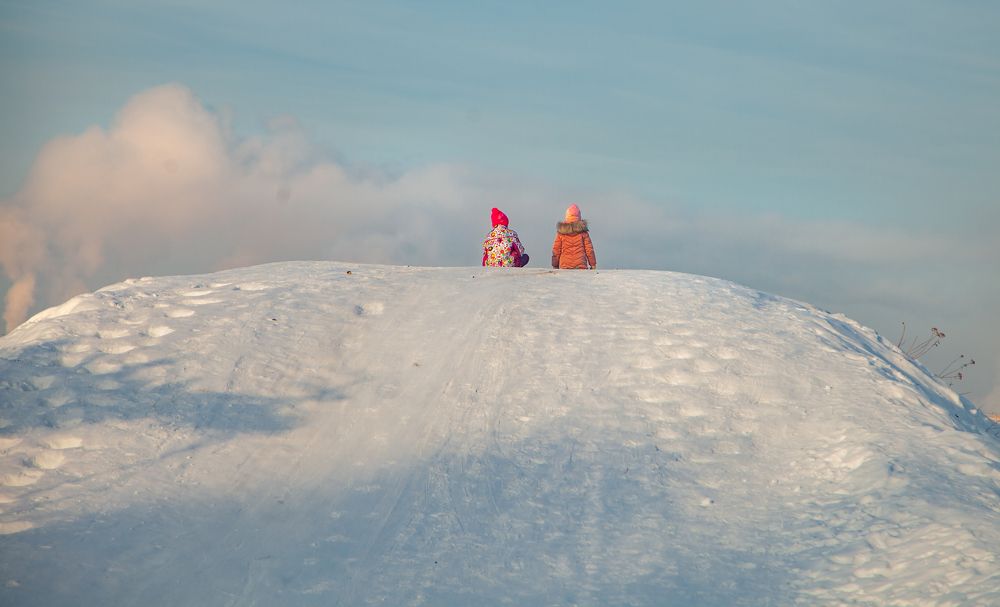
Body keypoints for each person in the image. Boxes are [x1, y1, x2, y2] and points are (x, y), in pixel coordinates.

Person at [551, 204, 596, 269]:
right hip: (580, 265)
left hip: (564, 265)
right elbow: (589, 250)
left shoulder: (561, 232)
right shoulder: (583, 233)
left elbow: (556, 250)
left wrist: (555, 264)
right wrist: (593, 264)